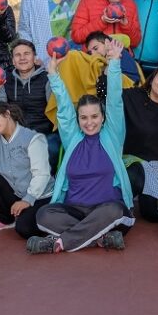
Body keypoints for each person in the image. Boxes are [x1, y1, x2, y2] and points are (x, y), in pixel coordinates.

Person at [25, 39, 135, 254]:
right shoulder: (73, 138)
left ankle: (59, 243)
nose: (89, 122)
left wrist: (113, 65)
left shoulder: (112, 136)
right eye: (83, 117)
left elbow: (114, 101)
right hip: (73, 210)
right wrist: (54, 76)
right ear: (78, 120)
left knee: (115, 210)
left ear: (103, 117)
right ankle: (100, 238)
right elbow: (64, 110)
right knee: (43, 215)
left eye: (94, 116)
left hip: (106, 208)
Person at [0, 101, 54, 238]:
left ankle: (54, 224)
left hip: (40, 197)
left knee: (24, 229)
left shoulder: (34, 139)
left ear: (7, 114)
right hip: (17, 194)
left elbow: (42, 174)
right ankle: (7, 219)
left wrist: (27, 200)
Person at [0, 39, 60, 171]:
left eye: (27, 53)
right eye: (17, 55)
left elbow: (57, 109)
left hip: (44, 133)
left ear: (34, 57)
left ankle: (48, 184)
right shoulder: (5, 80)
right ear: (13, 61)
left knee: (51, 149)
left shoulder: (47, 78)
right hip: (16, 135)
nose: (22, 58)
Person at [122, 64, 158, 222]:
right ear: (152, 79)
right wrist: (109, 68)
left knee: (152, 215)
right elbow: (107, 96)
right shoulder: (133, 96)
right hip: (132, 162)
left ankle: (142, 197)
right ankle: (118, 216)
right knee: (132, 175)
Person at [71, 0, 142, 50]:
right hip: (94, 59)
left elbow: (135, 42)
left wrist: (126, 25)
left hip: (122, 57)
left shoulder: (130, 4)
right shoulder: (87, 2)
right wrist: (102, 21)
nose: (116, 0)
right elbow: (76, 37)